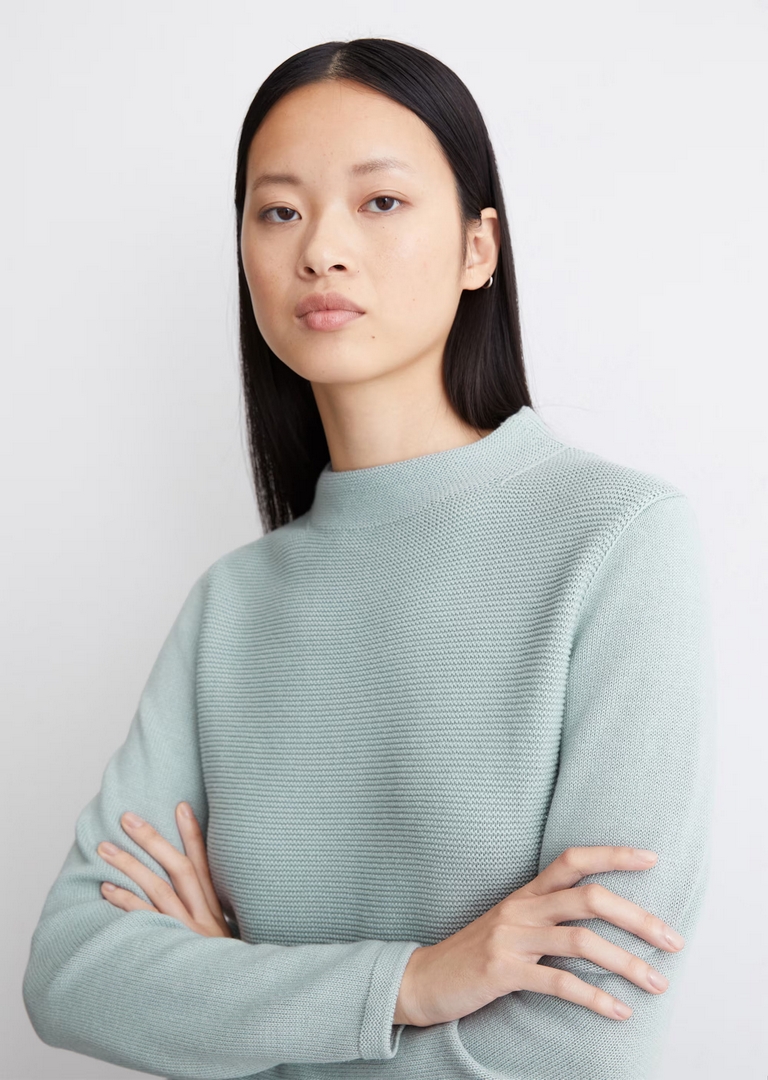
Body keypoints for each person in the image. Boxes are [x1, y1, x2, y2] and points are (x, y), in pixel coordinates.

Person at [22, 37, 716, 1080]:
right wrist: (411, 984)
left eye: (380, 202)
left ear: (480, 247)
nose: (322, 250)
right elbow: (73, 973)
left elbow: (587, 1037)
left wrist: (236, 1004)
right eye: (279, 211)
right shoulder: (231, 606)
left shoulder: (617, 542)